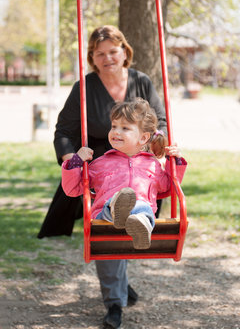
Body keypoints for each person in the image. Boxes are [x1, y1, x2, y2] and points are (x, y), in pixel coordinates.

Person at [38, 25, 168, 328]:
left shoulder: (142, 82)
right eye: (100, 54)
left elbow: (159, 122)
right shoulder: (84, 87)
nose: (107, 57)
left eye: (113, 51)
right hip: (102, 169)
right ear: (92, 58)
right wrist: (72, 159)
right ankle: (114, 302)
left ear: (125, 51)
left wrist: (159, 148)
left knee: (131, 219)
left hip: (139, 169)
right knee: (107, 230)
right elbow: (64, 132)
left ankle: (118, 286)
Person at [62, 98, 187, 328]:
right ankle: (114, 306)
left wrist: (175, 160)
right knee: (118, 206)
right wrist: (76, 161)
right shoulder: (99, 163)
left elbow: (170, 187)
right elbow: (72, 189)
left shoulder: (152, 166)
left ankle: (136, 219)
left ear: (143, 138)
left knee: (141, 206)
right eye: (114, 126)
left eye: (125, 128)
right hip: (105, 222)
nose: (116, 132)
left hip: (141, 217)